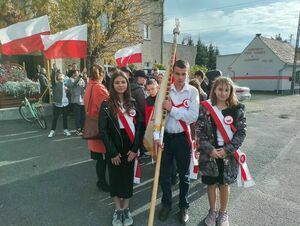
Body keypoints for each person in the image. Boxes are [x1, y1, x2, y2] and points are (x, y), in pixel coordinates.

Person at [196, 77, 247, 226]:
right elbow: (200, 132)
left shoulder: (237, 109)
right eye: (220, 89)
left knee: (224, 185)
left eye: (226, 90)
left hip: (228, 155)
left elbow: (241, 132)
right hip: (209, 155)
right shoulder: (205, 108)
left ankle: (223, 213)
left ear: (231, 91)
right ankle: (212, 211)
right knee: (211, 185)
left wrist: (228, 150)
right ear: (214, 90)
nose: (223, 93)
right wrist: (210, 149)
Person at [153, 60, 199, 225]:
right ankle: (166, 204)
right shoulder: (165, 91)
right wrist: (157, 137)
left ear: (188, 73)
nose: (180, 77)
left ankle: (183, 206)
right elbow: (156, 117)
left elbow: (193, 116)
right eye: (177, 73)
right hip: (166, 138)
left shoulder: (192, 92)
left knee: (184, 175)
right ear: (173, 73)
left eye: (184, 74)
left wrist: (172, 109)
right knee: (164, 175)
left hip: (182, 138)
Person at [99, 70, 140, 226]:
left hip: (130, 146)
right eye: (117, 82)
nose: (120, 85)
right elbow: (102, 130)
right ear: (112, 85)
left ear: (127, 83)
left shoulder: (134, 102)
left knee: (127, 177)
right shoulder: (106, 104)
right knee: (115, 177)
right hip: (114, 145)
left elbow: (140, 126)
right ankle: (118, 209)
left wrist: (135, 148)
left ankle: (126, 208)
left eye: (123, 82)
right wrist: (112, 152)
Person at [84, 64, 110, 192]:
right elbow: (108, 106)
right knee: (103, 158)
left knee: (100, 159)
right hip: (99, 127)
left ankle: (101, 181)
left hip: (91, 124)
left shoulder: (89, 86)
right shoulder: (99, 88)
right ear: (102, 74)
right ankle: (102, 182)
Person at [48, 70, 71, 138]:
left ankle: (65, 129)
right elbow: (52, 78)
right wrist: (53, 70)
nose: (60, 76)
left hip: (65, 104)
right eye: (59, 76)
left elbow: (69, 94)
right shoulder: (55, 84)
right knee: (55, 118)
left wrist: (68, 90)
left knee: (65, 118)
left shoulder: (66, 84)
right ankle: (52, 130)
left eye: (61, 75)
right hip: (57, 104)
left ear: (64, 77)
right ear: (57, 77)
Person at [131, 70, 148, 159]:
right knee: (139, 136)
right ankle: (140, 153)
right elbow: (143, 105)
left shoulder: (130, 86)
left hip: (133, 117)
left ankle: (138, 152)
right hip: (140, 117)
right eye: (144, 78)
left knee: (136, 135)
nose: (145, 80)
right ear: (140, 78)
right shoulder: (139, 89)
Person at [68, 69, 86, 135]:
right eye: (76, 73)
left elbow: (84, 86)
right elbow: (74, 84)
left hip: (83, 100)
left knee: (83, 116)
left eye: (78, 73)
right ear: (73, 74)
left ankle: (83, 129)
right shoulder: (70, 80)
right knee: (77, 116)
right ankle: (78, 130)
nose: (77, 75)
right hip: (76, 100)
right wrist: (82, 74)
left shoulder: (81, 79)